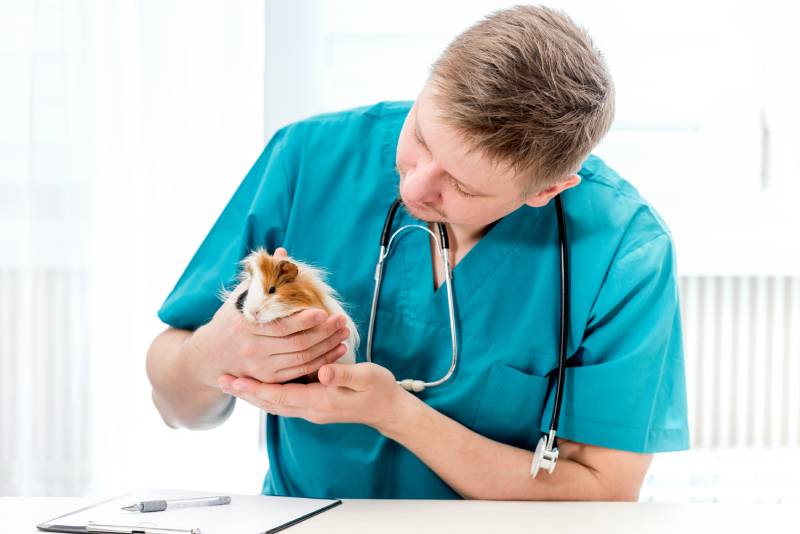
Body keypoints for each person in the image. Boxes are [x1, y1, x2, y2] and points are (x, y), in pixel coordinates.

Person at [146, 5, 689, 501]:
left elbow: (603, 493)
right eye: (423, 139)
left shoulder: (623, 251)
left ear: (544, 192)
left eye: (463, 186)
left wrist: (397, 415)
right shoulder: (309, 159)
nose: (414, 190)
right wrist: (214, 355)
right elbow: (172, 404)